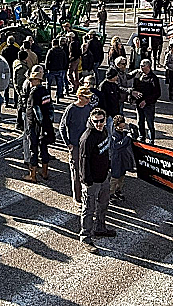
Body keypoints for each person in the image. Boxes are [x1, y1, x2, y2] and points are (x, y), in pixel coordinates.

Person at [78, 107, 116, 254]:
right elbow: (83, 160)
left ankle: (100, 227)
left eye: (101, 120)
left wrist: (109, 167)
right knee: (88, 209)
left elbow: (106, 151)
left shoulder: (105, 131)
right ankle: (85, 236)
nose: (99, 124)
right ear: (91, 120)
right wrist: (86, 180)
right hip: (92, 180)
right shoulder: (87, 137)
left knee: (104, 204)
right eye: (96, 121)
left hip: (104, 176)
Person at [59, 87, 93, 200]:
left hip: (87, 145)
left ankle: (87, 195)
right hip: (75, 145)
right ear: (79, 97)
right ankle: (77, 197)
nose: (88, 100)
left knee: (88, 169)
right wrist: (68, 143)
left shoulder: (89, 107)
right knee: (77, 172)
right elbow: (62, 127)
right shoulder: (71, 109)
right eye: (86, 97)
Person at [23, 67, 55, 182]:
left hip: (36, 125)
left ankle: (33, 175)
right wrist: (48, 121)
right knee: (44, 147)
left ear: (37, 80)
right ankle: (45, 172)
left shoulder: (34, 92)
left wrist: (38, 123)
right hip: (46, 124)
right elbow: (50, 108)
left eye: (32, 80)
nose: (30, 82)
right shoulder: (46, 91)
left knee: (33, 149)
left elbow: (36, 110)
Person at [130, 59, 161, 144]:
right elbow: (134, 87)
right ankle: (142, 137)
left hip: (148, 105)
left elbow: (157, 93)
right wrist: (133, 96)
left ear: (148, 66)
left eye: (142, 66)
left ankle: (151, 140)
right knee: (140, 121)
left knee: (150, 123)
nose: (140, 67)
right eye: (140, 66)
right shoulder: (138, 75)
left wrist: (146, 101)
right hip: (138, 103)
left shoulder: (153, 78)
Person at [108, 115, 134, 203]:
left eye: (124, 126)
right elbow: (117, 146)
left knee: (122, 176)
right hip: (116, 159)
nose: (123, 128)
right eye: (121, 127)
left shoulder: (123, 133)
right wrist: (127, 138)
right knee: (115, 176)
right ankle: (110, 193)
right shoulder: (114, 135)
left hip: (123, 158)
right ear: (115, 126)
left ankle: (118, 190)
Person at [12, 51, 30, 129]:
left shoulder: (17, 64)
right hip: (22, 90)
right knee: (22, 107)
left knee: (21, 106)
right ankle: (20, 123)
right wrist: (22, 90)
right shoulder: (22, 68)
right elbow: (20, 80)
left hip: (20, 89)